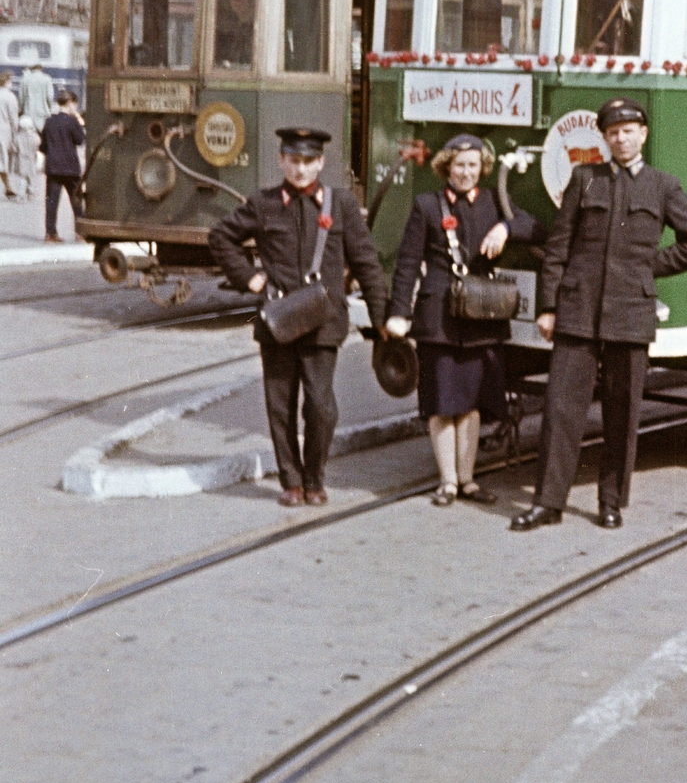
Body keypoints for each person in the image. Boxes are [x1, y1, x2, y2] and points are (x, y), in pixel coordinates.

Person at [514, 97, 687, 534]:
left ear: (643, 135)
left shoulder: (664, 186)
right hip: (578, 310)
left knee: (622, 414)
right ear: (603, 138)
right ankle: (548, 502)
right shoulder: (585, 180)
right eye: (613, 132)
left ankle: (611, 502)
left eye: (629, 131)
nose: (621, 139)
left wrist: (649, 268)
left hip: (629, 313)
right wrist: (548, 306)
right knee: (561, 411)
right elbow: (558, 249)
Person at [208, 127, 388, 508]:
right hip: (279, 320)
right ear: (282, 161)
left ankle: (314, 477)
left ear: (321, 163)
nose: (301, 168)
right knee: (280, 405)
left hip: (323, 322)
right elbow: (220, 236)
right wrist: (251, 278)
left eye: (309, 161)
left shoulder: (340, 205)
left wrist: (381, 316)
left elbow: (367, 263)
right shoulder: (264, 203)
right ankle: (291, 481)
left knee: (322, 408)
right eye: (294, 160)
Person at [385, 133, 545, 507]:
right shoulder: (427, 205)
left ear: (482, 169)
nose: (466, 172)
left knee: (471, 403)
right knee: (443, 404)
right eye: (459, 165)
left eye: (473, 166)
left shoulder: (493, 203)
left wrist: (506, 228)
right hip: (438, 318)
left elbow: (537, 229)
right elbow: (407, 264)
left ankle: (468, 479)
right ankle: (447, 481)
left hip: (481, 318)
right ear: (446, 167)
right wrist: (398, 313)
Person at [39, 89, 85, 242]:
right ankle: (81, 232)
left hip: (53, 167)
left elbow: (43, 146)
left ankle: (50, 233)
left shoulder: (49, 121)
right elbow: (80, 139)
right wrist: (78, 120)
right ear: (70, 103)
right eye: (75, 104)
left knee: (51, 201)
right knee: (76, 200)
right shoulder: (72, 121)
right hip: (70, 167)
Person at [18, 62, 54, 134]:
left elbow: (21, 98)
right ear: (41, 70)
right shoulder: (47, 79)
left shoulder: (25, 79)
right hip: (43, 114)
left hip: (28, 112)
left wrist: (21, 110)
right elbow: (50, 97)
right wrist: (50, 109)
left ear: (32, 70)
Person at [0, 73, 18, 199]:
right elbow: (13, 118)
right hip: (4, 130)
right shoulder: (9, 97)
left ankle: (8, 187)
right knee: (2, 160)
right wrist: (15, 134)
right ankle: (8, 187)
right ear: (7, 81)